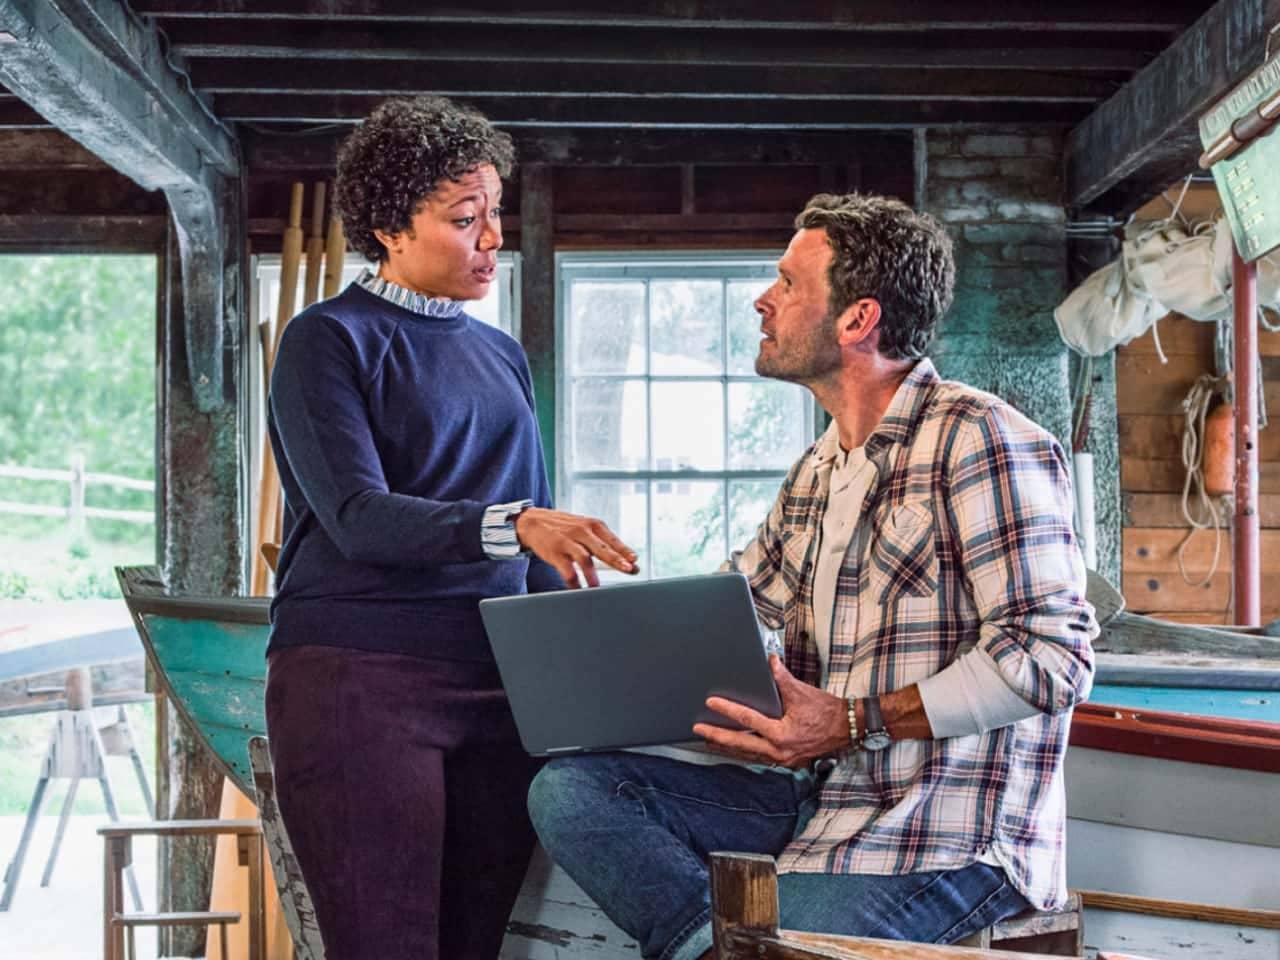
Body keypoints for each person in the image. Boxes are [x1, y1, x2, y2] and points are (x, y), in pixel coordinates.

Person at [528, 193, 1098, 960]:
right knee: (571, 790)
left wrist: (853, 720)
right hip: (816, 812)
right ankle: (718, 949)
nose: (764, 302)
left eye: (788, 284)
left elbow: (1051, 658)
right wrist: (580, 636)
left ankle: (728, 949)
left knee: (755, 931)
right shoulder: (818, 470)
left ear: (858, 319)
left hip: (950, 841)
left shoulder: (983, 440)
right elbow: (728, 608)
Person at [264, 96, 637, 960]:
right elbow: (358, 517)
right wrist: (514, 526)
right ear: (392, 228)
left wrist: (586, 675)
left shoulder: (501, 353)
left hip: (500, 685)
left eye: (494, 214)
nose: (492, 239)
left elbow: (540, 547)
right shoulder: (326, 342)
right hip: (361, 680)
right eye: (464, 219)